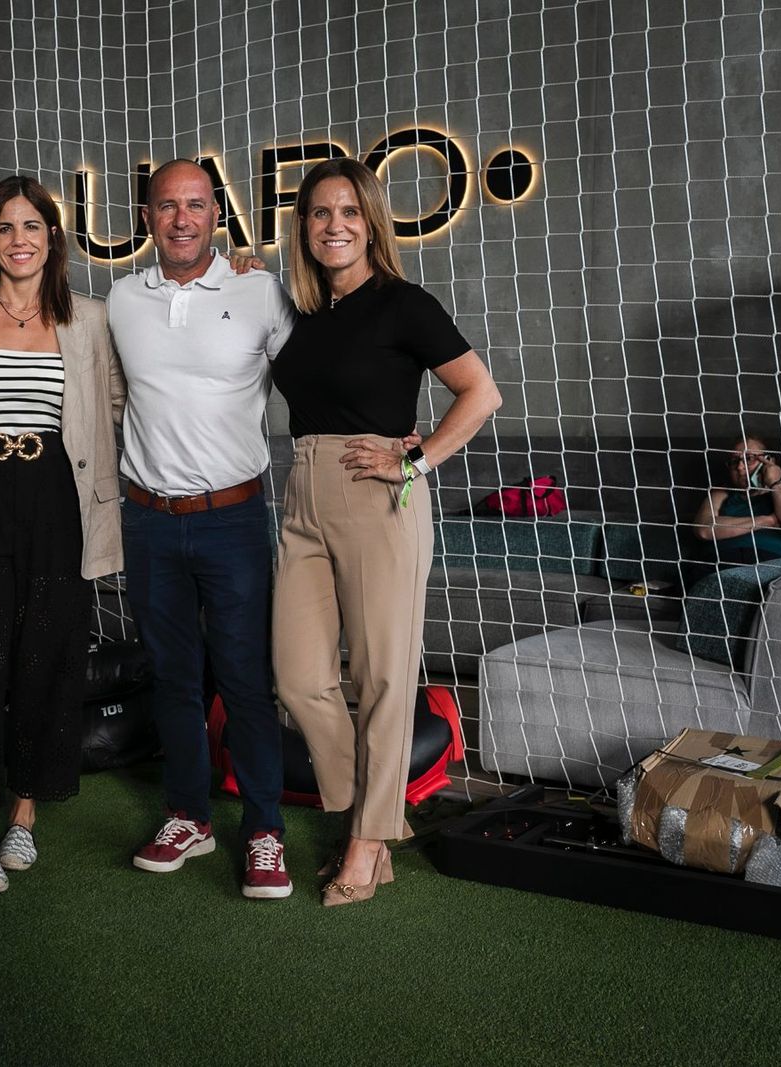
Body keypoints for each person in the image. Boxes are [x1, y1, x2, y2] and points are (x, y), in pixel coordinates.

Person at [270, 158, 501, 907]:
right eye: (318, 213)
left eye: (349, 212)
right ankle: (374, 807)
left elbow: (480, 390)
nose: (333, 225)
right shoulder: (303, 310)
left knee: (381, 678)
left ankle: (366, 845)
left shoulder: (404, 303)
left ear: (371, 222)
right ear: (302, 226)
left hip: (378, 495)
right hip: (302, 492)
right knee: (300, 677)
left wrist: (419, 458)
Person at [0, 176, 125, 895]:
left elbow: (120, 403)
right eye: (5, 227)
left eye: (32, 226)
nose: (19, 240)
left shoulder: (89, 319)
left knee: (48, 662)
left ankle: (23, 816)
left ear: (52, 238)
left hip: (59, 502)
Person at [108, 159, 299, 900]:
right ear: (148, 218)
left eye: (195, 205)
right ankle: (188, 814)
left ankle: (264, 828)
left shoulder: (259, 291)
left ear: (216, 214)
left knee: (248, 680)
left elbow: (317, 376)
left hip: (234, 519)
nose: (181, 219)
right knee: (173, 676)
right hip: (149, 518)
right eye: (166, 206)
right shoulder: (123, 299)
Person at [692, 436, 781, 565]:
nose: (740, 467)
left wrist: (774, 483)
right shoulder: (721, 494)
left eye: (749, 458)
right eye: (734, 461)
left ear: (769, 461)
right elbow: (704, 530)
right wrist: (769, 520)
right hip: (724, 563)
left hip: (779, 564)